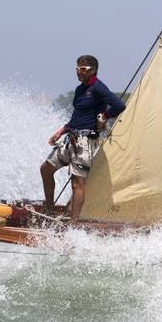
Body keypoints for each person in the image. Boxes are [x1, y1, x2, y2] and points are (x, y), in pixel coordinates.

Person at [40, 55, 126, 223]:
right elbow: (77, 116)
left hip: (86, 142)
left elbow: (119, 105)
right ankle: (49, 212)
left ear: (93, 70)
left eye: (83, 69)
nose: (79, 72)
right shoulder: (80, 89)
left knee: (77, 183)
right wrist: (61, 131)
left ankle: (73, 225)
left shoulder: (98, 88)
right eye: (77, 68)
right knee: (45, 169)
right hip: (70, 139)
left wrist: (105, 115)